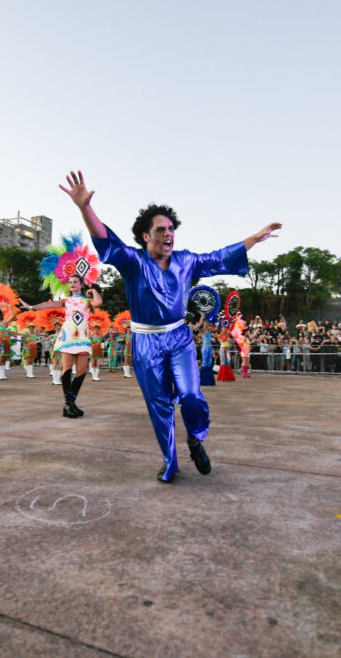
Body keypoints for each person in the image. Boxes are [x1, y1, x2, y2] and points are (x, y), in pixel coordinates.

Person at [61, 170, 280, 482]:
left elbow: (219, 257)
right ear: (146, 236)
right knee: (160, 405)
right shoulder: (131, 260)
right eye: (161, 229)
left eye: (171, 229)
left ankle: (194, 440)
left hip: (179, 338)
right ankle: (169, 461)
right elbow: (105, 240)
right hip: (145, 343)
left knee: (191, 396)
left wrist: (254, 239)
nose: (169, 234)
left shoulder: (186, 261)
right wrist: (85, 207)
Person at [22, 274, 103, 416]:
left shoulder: (87, 300)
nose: (72, 284)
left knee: (82, 370)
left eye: (75, 282)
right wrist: (31, 306)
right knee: (67, 367)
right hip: (68, 336)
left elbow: (98, 302)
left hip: (82, 337)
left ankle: (70, 403)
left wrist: (92, 291)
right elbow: (49, 304)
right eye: (70, 282)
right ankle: (69, 404)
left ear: (81, 285)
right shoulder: (66, 300)